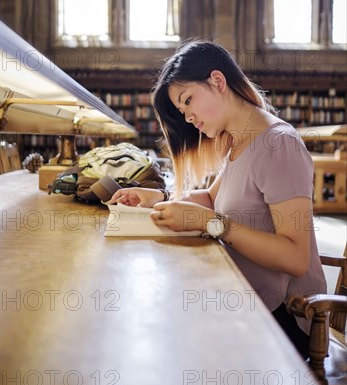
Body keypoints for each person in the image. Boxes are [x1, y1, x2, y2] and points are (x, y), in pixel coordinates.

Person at [107, 40, 327, 359]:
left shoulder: (280, 145)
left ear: (217, 82)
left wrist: (212, 225)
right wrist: (157, 198)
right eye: (182, 111)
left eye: (188, 101)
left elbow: (295, 257)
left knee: (165, 333)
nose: (189, 118)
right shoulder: (241, 142)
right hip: (246, 297)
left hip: (288, 317)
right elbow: (211, 199)